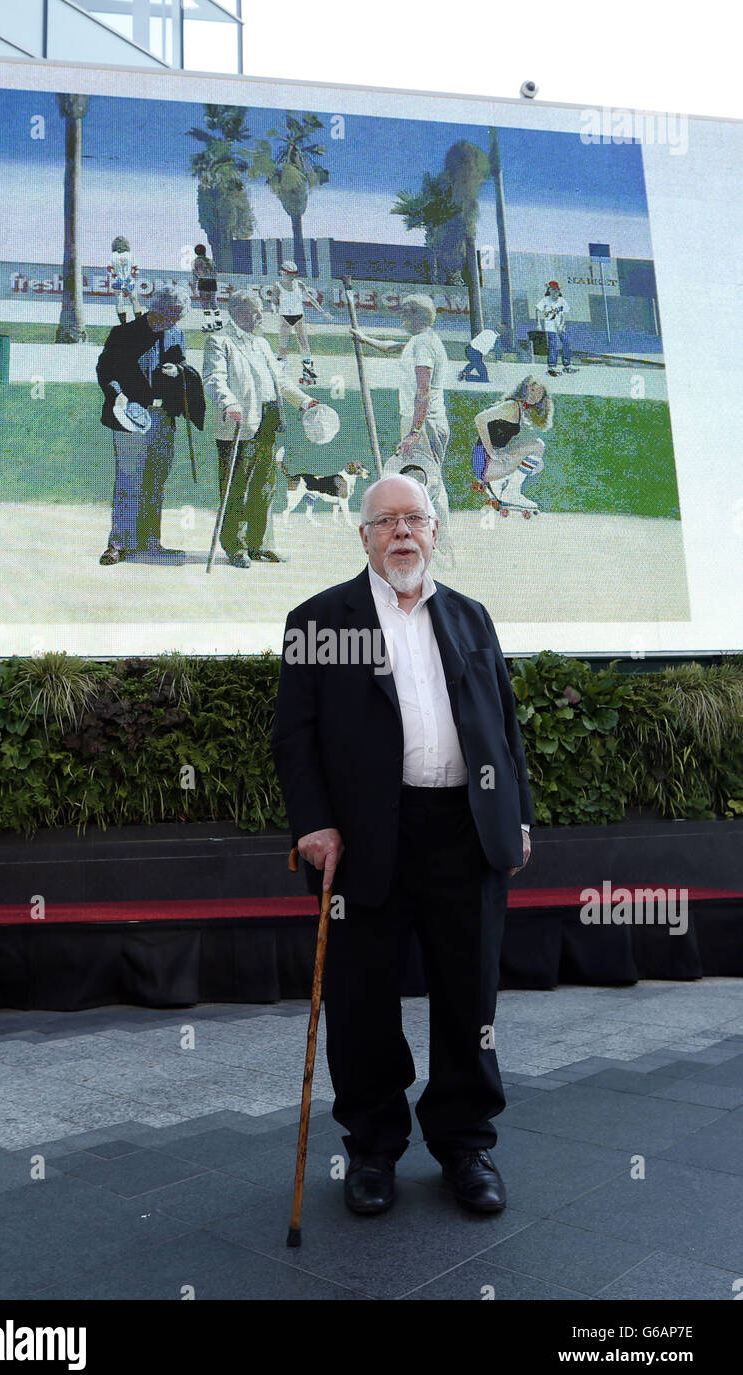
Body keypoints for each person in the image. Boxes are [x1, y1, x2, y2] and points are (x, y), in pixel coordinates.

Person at [272, 473, 534, 1220]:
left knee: (468, 997)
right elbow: (295, 739)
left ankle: (464, 1144)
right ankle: (373, 1150)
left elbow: (503, 728)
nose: (401, 534)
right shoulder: (321, 618)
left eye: (414, 519)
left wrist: (516, 816)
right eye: (385, 522)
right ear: (363, 537)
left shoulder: (471, 618)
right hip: (363, 843)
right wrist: (313, 824)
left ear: (435, 530)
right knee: (361, 1004)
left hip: (466, 833)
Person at [202, 290, 317, 568]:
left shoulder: (263, 343)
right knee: (236, 487)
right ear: (236, 313)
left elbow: (281, 380)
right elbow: (213, 378)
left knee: (265, 486)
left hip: (268, 419)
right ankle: (235, 547)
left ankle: (260, 544)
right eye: (253, 311)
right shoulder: (220, 341)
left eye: (260, 311)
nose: (259, 316)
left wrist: (305, 401)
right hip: (239, 423)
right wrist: (229, 403)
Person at [96, 285, 204, 565]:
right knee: (129, 480)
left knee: (156, 481)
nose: (172, 322)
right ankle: (119, 544)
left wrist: (178, 370)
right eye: (169, 315)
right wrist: (117, 396)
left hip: (164, 417)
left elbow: (183, 364)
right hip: (131, 415)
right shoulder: (124, 334)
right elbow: (105, 370)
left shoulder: (176, 333)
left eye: (178, 317)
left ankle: (149, 542)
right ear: (156, 308)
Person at [351, 294, 455, 569]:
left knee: (427, 487)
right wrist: (364, 339)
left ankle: (439, 552)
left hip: (423, 423)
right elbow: (391, 347)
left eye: (403, 316)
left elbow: (423, 390)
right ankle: (436, 550)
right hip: (421, 422)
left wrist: (414, 431)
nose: (400, 321)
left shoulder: (423, 345)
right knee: (426, 486)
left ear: (412, 317)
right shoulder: (420, 341)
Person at [472, 375, 553, 516]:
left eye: (539, 393)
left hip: (490, 463)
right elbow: (479, 419)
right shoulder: (511, 406)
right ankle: (510, 492)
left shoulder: (521, 408)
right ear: (524, 388)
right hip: (485, 462)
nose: (535, 396)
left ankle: (500, 485)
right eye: (532, 390)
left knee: (537, 464)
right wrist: (491, 452)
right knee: (538, 446)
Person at [273, 260, 319, 385]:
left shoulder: (299, 284)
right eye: (289, 273)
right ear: (283, 273)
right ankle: (280, 371)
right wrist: (274, 310)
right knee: (283, 344)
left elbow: (310, 298)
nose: (292, 276)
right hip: (285, 316)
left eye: (294, 273)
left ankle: (308, 370)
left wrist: (321, 310)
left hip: (299, 316)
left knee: (304, 342)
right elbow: (273, 300)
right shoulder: (278, 285)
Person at [535, 280, 575, 376]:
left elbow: (565, 314)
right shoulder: (545, 300)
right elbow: (537, 310)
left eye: (557, 290)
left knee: (566, 342)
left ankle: (567, 365)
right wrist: (539, 324)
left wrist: (562, 324)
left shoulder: (562, 300)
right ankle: (552, 367)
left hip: (560, 326)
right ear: (549, 290)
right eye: (553, 290)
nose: (555, 292)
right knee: (553, 345)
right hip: (549, 326)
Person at [108, 236, 142, 324]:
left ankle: (138, 322)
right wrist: (117, 278)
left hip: (128, 281)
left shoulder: (130, 255)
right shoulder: (113, 256)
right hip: (119, 282)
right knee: (121, 301)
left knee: (133, 300)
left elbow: (135, 268)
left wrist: (130, 279)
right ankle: (123, 324)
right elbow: (110, 269)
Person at [191, 242, 220, 332]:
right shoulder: (210, 260)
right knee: (213, 303)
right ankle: (219, 323)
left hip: (203, 281)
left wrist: (194, 286)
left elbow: (195, 274)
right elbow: (215, 272)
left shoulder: (196, 261)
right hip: (212, 282)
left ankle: (209, 325)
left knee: (205, 305)